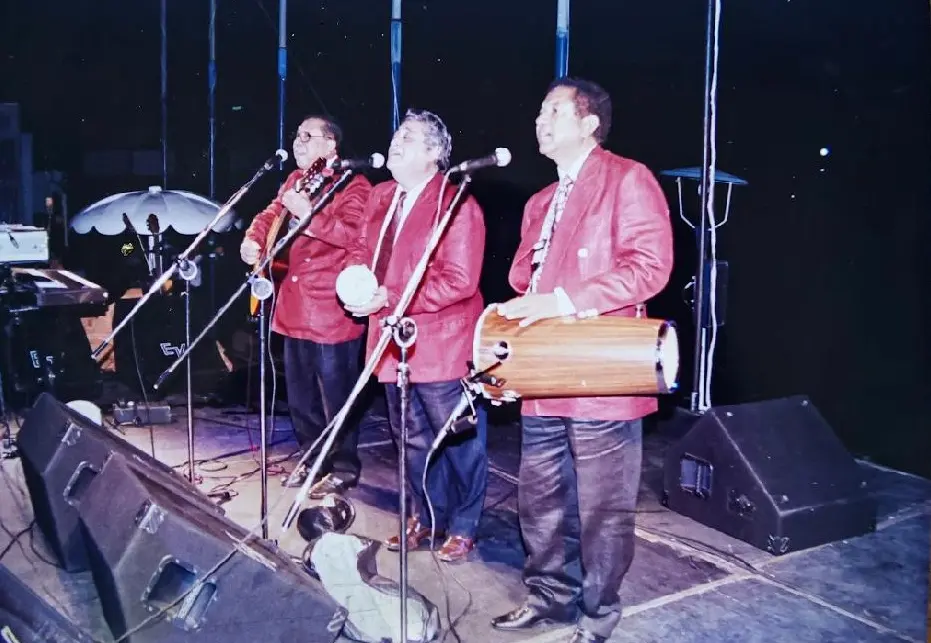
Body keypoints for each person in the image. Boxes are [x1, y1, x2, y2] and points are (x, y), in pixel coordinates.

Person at [491, 79, 674, 642]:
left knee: (602, 509)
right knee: (539, 498)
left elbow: (651, 266)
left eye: (553, 110)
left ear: (589, 122)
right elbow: (524, 275)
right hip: (542, 370)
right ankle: (550, 597)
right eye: (539, 110)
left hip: (601, 371)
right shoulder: (539, 202)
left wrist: (565, 300)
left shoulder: (627, 179)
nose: (539, 120)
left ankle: (598, 615)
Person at [342, 109, 488, 563]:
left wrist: (387, 296)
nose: (395, 143)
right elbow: (359, 252)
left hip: (442, 343)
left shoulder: (456, 200)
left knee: (458, 442)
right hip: (391, 341)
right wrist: (356, 285)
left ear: (433, 153)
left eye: (408, 137)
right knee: (409, 438)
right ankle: (424, 517)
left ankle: (464, 525)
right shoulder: (382, 195)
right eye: (396, 135)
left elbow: (458, 280)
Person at [240, 115, 371, 497]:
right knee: (300, 398)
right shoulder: (295, 181)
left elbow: (351, 234)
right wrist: (253, 238)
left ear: (332, 144)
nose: (298, 142)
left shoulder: (354, 184)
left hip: (331, 309)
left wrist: (307, 215)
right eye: (297, 135)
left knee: (337, 396)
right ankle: (313, 458)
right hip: (293, 306)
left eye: (308, 136)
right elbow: (270, 215)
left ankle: (344, 466)